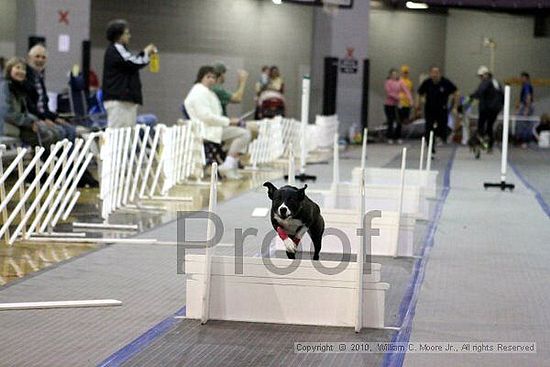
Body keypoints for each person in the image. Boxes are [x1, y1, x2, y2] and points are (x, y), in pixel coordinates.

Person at [184, 66, 251, 180]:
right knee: (244, 134)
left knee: (241, 134)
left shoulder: (207, 91)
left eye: (213, 77)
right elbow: (206, 116)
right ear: (201, 77)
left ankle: (230, 165)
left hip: (212, 127)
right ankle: (228, 164)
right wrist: (228, 121)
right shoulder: (199, 92)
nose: (211, 79)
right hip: (207, 130)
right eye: (208, 77)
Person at [102, 19, 157, 128]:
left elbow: (132, 62)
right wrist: (145, 53)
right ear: (119, 35)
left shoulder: (122, 50)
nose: (129, 36)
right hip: (118, 102)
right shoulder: (115, 50)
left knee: (127, 138)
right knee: (117, 136)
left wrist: (144, 54)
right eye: (126, 33)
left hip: (125, 102)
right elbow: (134, 63)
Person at [0, 57, 61, 148]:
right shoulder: (5, 87)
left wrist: (35, 121)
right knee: (48, 136)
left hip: (18, 125)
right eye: (17, 67)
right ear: (9, 69)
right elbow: (7, 113)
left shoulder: (19, 87)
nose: (21, 71)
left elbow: (24, 112)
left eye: (23, 69)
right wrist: (29, 123)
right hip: (6, 127)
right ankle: (45, 161)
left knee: (54, 132)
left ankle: (47, 160)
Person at [25, 44, 76, 143]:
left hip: (42, 116)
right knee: (59, 132)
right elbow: (29, 105)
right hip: (33, 118)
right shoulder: (26, 78)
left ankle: (68, 158)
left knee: (71, 129)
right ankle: (53, 157)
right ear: (29, 58)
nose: (40, 60)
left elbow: (44, 107)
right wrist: (44, 119)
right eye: (37, 56)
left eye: (43, 57)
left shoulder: (39, 78)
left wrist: (55, 118)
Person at [415, 65, 459, 153]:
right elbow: (419, 93)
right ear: (430, 73)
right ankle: (430, 146)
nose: (435, 75)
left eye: (437, 73)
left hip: (442, 109)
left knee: (442, 127)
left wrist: (455, 107)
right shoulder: (427, 82)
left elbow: (456, 92)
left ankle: (438, 137)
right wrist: (418, 106)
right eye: (433, 73)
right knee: (428, 127)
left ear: (440, 73)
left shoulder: (445, 82)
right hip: (430, 109)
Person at [469, 66, 503, 152]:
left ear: (485, 74)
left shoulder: (486, 82)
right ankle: (490, 146)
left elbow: (480, 92)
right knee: (489, 126)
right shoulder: (496, 82)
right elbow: (502, 95)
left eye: (481, 76)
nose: (480, 78)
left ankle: (480, 140)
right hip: (496, 108)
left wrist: (471, 97)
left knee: (481, 124)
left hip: (486, 107)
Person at [384, 68, 412, 144]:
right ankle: (390, 137)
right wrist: (397, 97)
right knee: (390, 121)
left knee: (399, 121)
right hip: (389, 105)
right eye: (393, 74)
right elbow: (389, 93)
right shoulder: (388, 82)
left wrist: (410, 100)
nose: (394, 76)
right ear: (390, 75)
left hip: (397, 105)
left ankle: (398, 136)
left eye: (396, 74)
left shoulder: (400, 82)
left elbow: (406, 90)